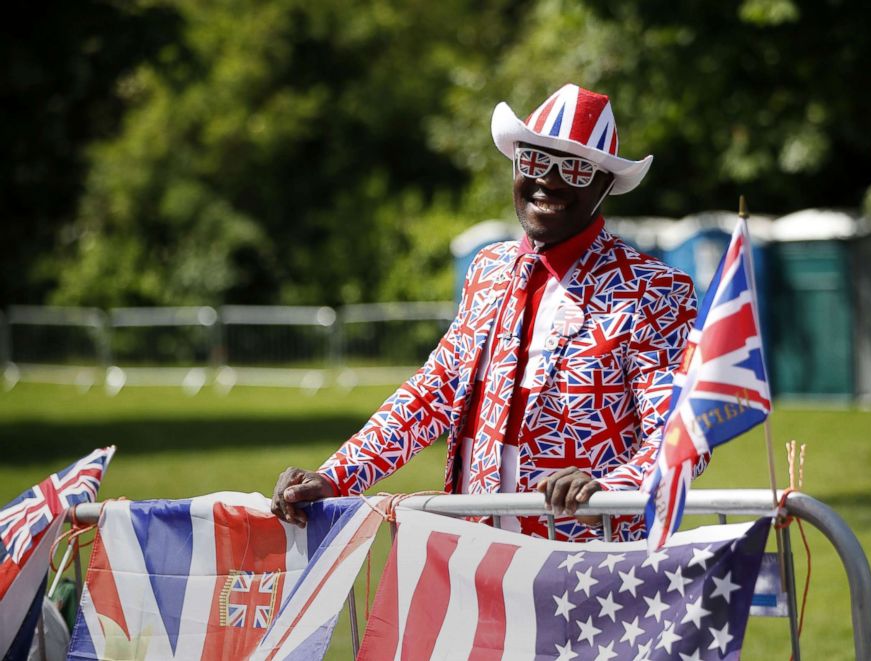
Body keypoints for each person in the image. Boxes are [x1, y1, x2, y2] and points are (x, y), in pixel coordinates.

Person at [271, 83, 700, 541]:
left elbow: (683, 429)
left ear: (604, 185)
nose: (549, 181)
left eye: (574, 169)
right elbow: (432, 392)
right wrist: (338, 476)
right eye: (535, 160)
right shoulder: (490, 269)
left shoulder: (652, 290)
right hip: (478, 560)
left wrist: (610, 491)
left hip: (590, 567)